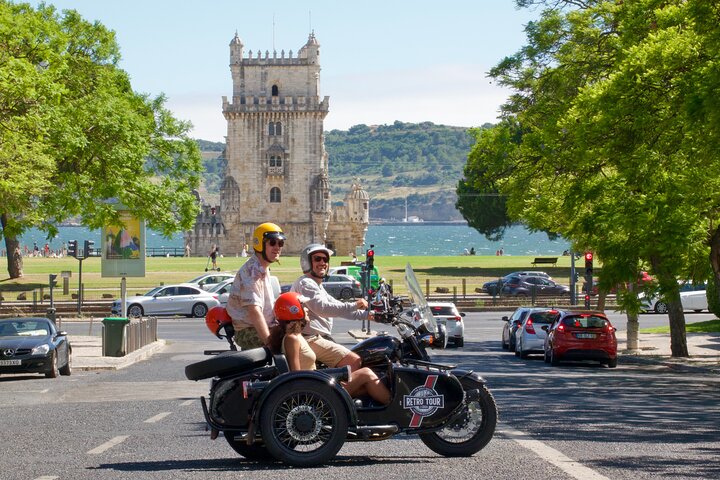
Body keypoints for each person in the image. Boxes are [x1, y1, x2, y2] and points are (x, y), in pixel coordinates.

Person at [269, 292, 390, 405]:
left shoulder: (296, 336)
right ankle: (397, 409)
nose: (307, 309)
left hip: (316, 385)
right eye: (303, 307)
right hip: (313, 390)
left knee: (365, 388)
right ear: (294, 311)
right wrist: (325, 377)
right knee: (366, 374)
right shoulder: (292, 339)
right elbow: (296, 375)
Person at [291, 243, 371, 371]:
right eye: (318, 259)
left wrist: (370, 315)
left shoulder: (317, 285)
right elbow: (323, 309)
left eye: (325, 259)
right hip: (309, 338)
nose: (323, 262)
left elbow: (338, 308)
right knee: (353, 361)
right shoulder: (306, 283)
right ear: (307, 262)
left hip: (317, 337)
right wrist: (355, 304)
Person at [226, 222, 285, 349]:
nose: (277, 247)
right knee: (289, 345)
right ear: (260, 244)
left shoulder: (262, 268)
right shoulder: (252, 272)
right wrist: (270, 343)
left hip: (264, 325)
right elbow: (254, 312)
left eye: (280, 243)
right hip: (248, 330)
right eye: (272, 243)